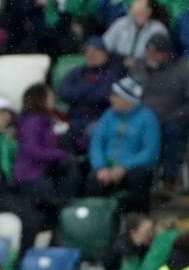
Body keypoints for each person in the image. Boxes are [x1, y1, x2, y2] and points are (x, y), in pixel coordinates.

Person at [87, 78, 162, 214]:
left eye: (115, 96)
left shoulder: (148, 118)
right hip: (108, 168)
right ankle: (99, 222)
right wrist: (100, 167)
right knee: (93, 180)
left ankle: (138, 220)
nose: (111, 99)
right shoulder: (109, 115)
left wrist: (124, 167)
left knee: (139, 178)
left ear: (127, 100)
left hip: (133, 169)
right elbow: (97, 142)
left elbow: (150, 152)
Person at [133, 35, 189, 197]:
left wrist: (173, 116)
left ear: (166, 53)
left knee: (173, 133)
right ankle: (139, 179)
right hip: (143, 118)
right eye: (148, 52)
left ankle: (168, 180)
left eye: (154, 53)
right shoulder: (140, 67)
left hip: (173, 118)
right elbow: (131, 92)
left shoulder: (182, 70)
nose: (149, 56)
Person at [14, 83, 77, 210]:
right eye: (50, 96)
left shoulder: (46, 119)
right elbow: (32, 150)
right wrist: (61, 155)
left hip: (42, 173)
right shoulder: (33, 121)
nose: (53, 99)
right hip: (32, 177)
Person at [57, 37, 125, 152]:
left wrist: (79, 92)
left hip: (101, 119)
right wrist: (90, 87)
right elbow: (62, 92)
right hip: (75, 119)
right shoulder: (76, 72)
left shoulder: (113, 72)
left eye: (95, 51)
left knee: (92, 133)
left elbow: (104, 95)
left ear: (105, 54)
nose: (91, 55)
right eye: (88, 51)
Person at [103, 0, 169, 63]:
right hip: (118, 66)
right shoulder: (121, 23)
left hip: (145, 70)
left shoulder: (158, 30)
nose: (133, 3)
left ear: (148, 11)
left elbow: (159, 58)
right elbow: (105, 45)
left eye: (139, 1)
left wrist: (138, 63)